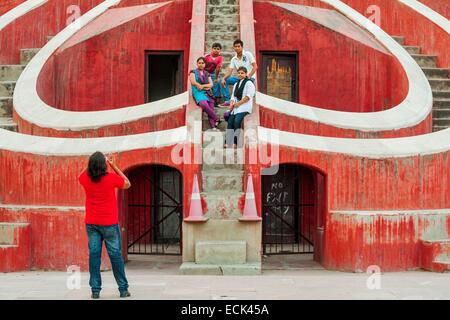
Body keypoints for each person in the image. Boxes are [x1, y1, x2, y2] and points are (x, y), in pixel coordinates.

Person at [78, 151, 131, 299]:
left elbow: (80, 176)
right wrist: (113, 165)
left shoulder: (85, 179)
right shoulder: (111, 178)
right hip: (109, 224)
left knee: (94, 256)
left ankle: (95, 290)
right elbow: (127, 183)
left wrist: (89, 163)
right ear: (104, 165)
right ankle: (123, 289)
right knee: (115, 256)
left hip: (92, 224)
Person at [220, 39, 258, 107]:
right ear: (234, 47)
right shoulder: (234, 59)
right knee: (224, 81)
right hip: (240, 78)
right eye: (235, 46)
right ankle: (228, 100)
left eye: (238, 46)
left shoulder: (248, 54)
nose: (237, 48)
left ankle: (247, 95)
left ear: (242, 47)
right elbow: (229, 72)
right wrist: (223, 78)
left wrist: (249, 76)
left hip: (250, 78)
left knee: (244, 87)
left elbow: (255, 67)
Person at [224, 66, 255, 148]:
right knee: (230, 122)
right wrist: (231, 104)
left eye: (242, 73)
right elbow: (233, 97)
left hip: (245, 107)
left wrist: (239, 103)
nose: (240, 74)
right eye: (239, 73)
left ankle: (235, 143)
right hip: (236, 107)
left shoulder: (249, 83)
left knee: (237, 122)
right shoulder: (236, 84)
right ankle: (227, 142)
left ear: (245, 74)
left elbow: (248, 97)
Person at [189, 57, 220, 130]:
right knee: (204, 104)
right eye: (199, 63)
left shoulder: (207, 73)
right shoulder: (192, 72)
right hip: (198, 92)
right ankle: (216, 118)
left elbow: (211, 84)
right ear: (197, 64)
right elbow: (193, 82)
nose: (201, 64)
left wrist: (201, 86)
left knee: (210, 107)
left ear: (205, 64)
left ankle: (213, 126)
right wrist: (199, 86)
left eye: (202, 63)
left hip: (208, 92)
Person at [204, 43, 224, 107]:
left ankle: (216, 99)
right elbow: (201, 65)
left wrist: (216, 78)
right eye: (214, 48)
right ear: (212, 49)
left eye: (218, 49)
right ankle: (206, 99)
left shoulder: (220, 58)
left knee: (216, 83)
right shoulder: (206, 57)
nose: (216, 50)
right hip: (205, 73)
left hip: (212, 73)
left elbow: (218, 68)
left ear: (220, 50)